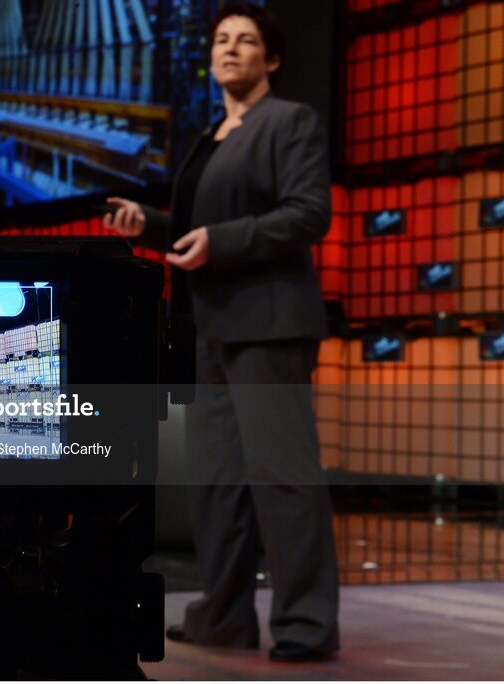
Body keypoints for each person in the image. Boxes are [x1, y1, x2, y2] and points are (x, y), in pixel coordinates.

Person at [104, 2, 340, 662]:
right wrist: (148, 226)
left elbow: (307, 214)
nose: (230, 48)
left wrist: (222, 240)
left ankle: (306, 626)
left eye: (246, 40)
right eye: (221, 39)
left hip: (269, 325)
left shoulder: (288, 122)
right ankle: (226, 617)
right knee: (215, 482)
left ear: (273, 58)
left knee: (282, 479)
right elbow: (196, 231)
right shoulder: (212, 138)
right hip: (212, 327)